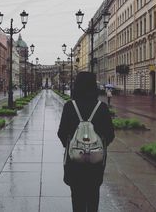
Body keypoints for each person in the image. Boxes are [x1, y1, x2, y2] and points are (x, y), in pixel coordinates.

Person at [58, 71, 115, 212]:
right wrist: (97, 147)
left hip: (75, 162)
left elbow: (61, 133)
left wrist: (72, 146)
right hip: (95, 163)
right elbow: (110, 135)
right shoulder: (102, 107)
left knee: (77, 198)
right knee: (93, 196)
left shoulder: (69, 106)